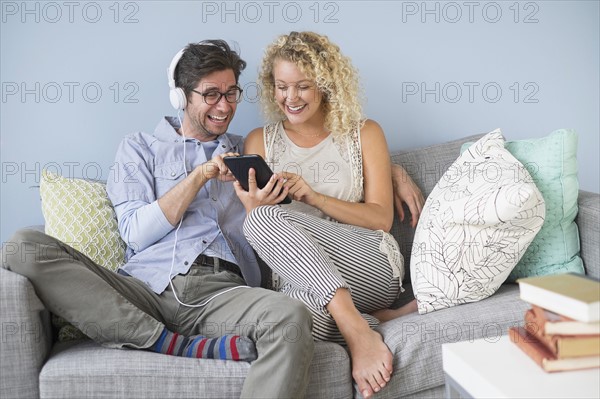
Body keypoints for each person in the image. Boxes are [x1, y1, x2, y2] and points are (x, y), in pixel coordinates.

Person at [5, 40, 315, 398]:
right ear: (181, 98)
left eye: (232, 93)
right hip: (143, 291)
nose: (225, 106)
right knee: (22, 247)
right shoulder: (139, 148)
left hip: (223, 292)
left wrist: (394, 174)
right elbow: (136, 234)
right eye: (211, 94)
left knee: (290, 317)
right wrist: (198, 176)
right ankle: (168, 342)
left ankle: (166, 338)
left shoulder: (249, 150)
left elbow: (317, 166)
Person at [233, 31, 423, 399]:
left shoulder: (364, 133)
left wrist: (315, 197)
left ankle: (355, 332)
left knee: (260, 221)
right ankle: (372, 322)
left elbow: (381, 219)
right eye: (281, 86)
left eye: (302, 86)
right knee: (290, 316)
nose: (290, 98)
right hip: (303, 282)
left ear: (325, 84)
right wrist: (254, 207)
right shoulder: (259, 141)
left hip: (370, 262)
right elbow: (262, 237)